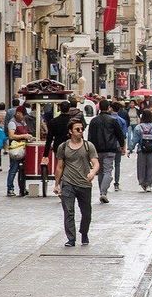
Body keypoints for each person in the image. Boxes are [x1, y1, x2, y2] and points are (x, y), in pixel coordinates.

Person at [54, 118, 99, 247]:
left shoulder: (88, 146)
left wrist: (92, 172)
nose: (80, 131)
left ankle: (84, 233)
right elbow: (60, 167)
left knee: (86, 213)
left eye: (82, 129)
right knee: (68, 211)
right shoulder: (63, 147)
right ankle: (71, 239)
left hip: (84, 183)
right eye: (77, 129)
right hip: (68, 183)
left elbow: (96, 163)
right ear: (70, 131)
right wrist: (57, 184)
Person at [88, 99, 125, 203]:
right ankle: (103, 192)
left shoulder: (94, 121)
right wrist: (122, 146)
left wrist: (89, 150)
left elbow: (90, 136)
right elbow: (119, 135)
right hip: (110, 149)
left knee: (100, 171)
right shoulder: (113, 120)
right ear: (109, 107)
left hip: (97, 150)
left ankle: (102, 191)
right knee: (108, 171)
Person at [131, 108, 152, 191]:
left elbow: (134, 140)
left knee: (141, 167)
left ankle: (142, 182)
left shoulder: (138, 127)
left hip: (141, 150)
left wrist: (130, 149)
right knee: (151, 167)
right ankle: (149, 183)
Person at [6, 107, 32, 196]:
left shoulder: (23, 122)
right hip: (16, 149)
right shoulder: (12, 123)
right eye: (22, 115)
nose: (23, 117)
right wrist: (24, 136)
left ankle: (22, 188)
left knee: (22, 170)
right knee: (13, 169)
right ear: (18, 113)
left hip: (23, 148)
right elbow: (11, 136)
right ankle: (10, 188)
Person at [110, 101, 128, 190]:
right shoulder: (122, 121)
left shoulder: (107, 119)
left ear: (111, 108)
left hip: (108, 144)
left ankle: (107, 180)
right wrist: (123, 147)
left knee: (108, 165)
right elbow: (124, 135)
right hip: (118, 145)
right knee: (117, 164)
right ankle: (116, 183)